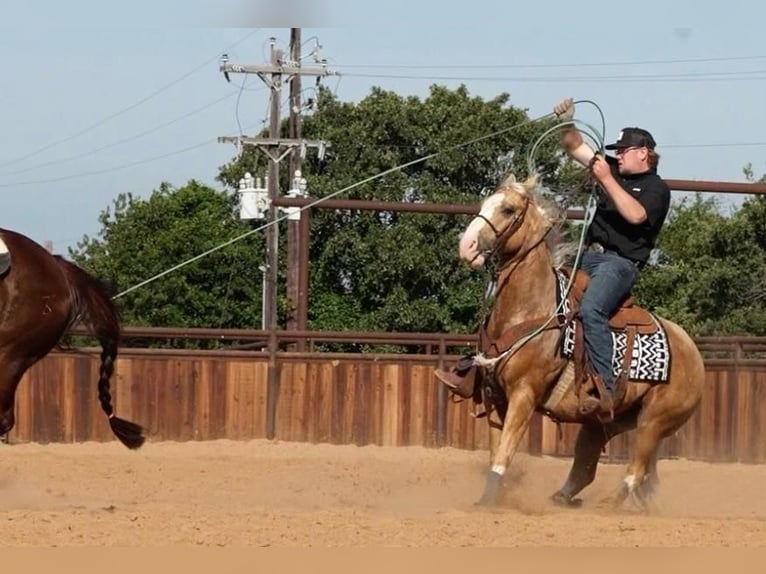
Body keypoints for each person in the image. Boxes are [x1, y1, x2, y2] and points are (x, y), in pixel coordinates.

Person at [435, 98, 671, 421]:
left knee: (591, 310)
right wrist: (568, 122)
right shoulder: (612, 170)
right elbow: (574, 145)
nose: (618, 155)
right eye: (617, 150)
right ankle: (481, 369)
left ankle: (603, 386)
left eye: (624, 150)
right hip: (587, 257)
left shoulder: (656, 188)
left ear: (643, 153)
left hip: (620, 265)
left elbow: (635, 214)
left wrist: (605, 179)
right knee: (529, 285)